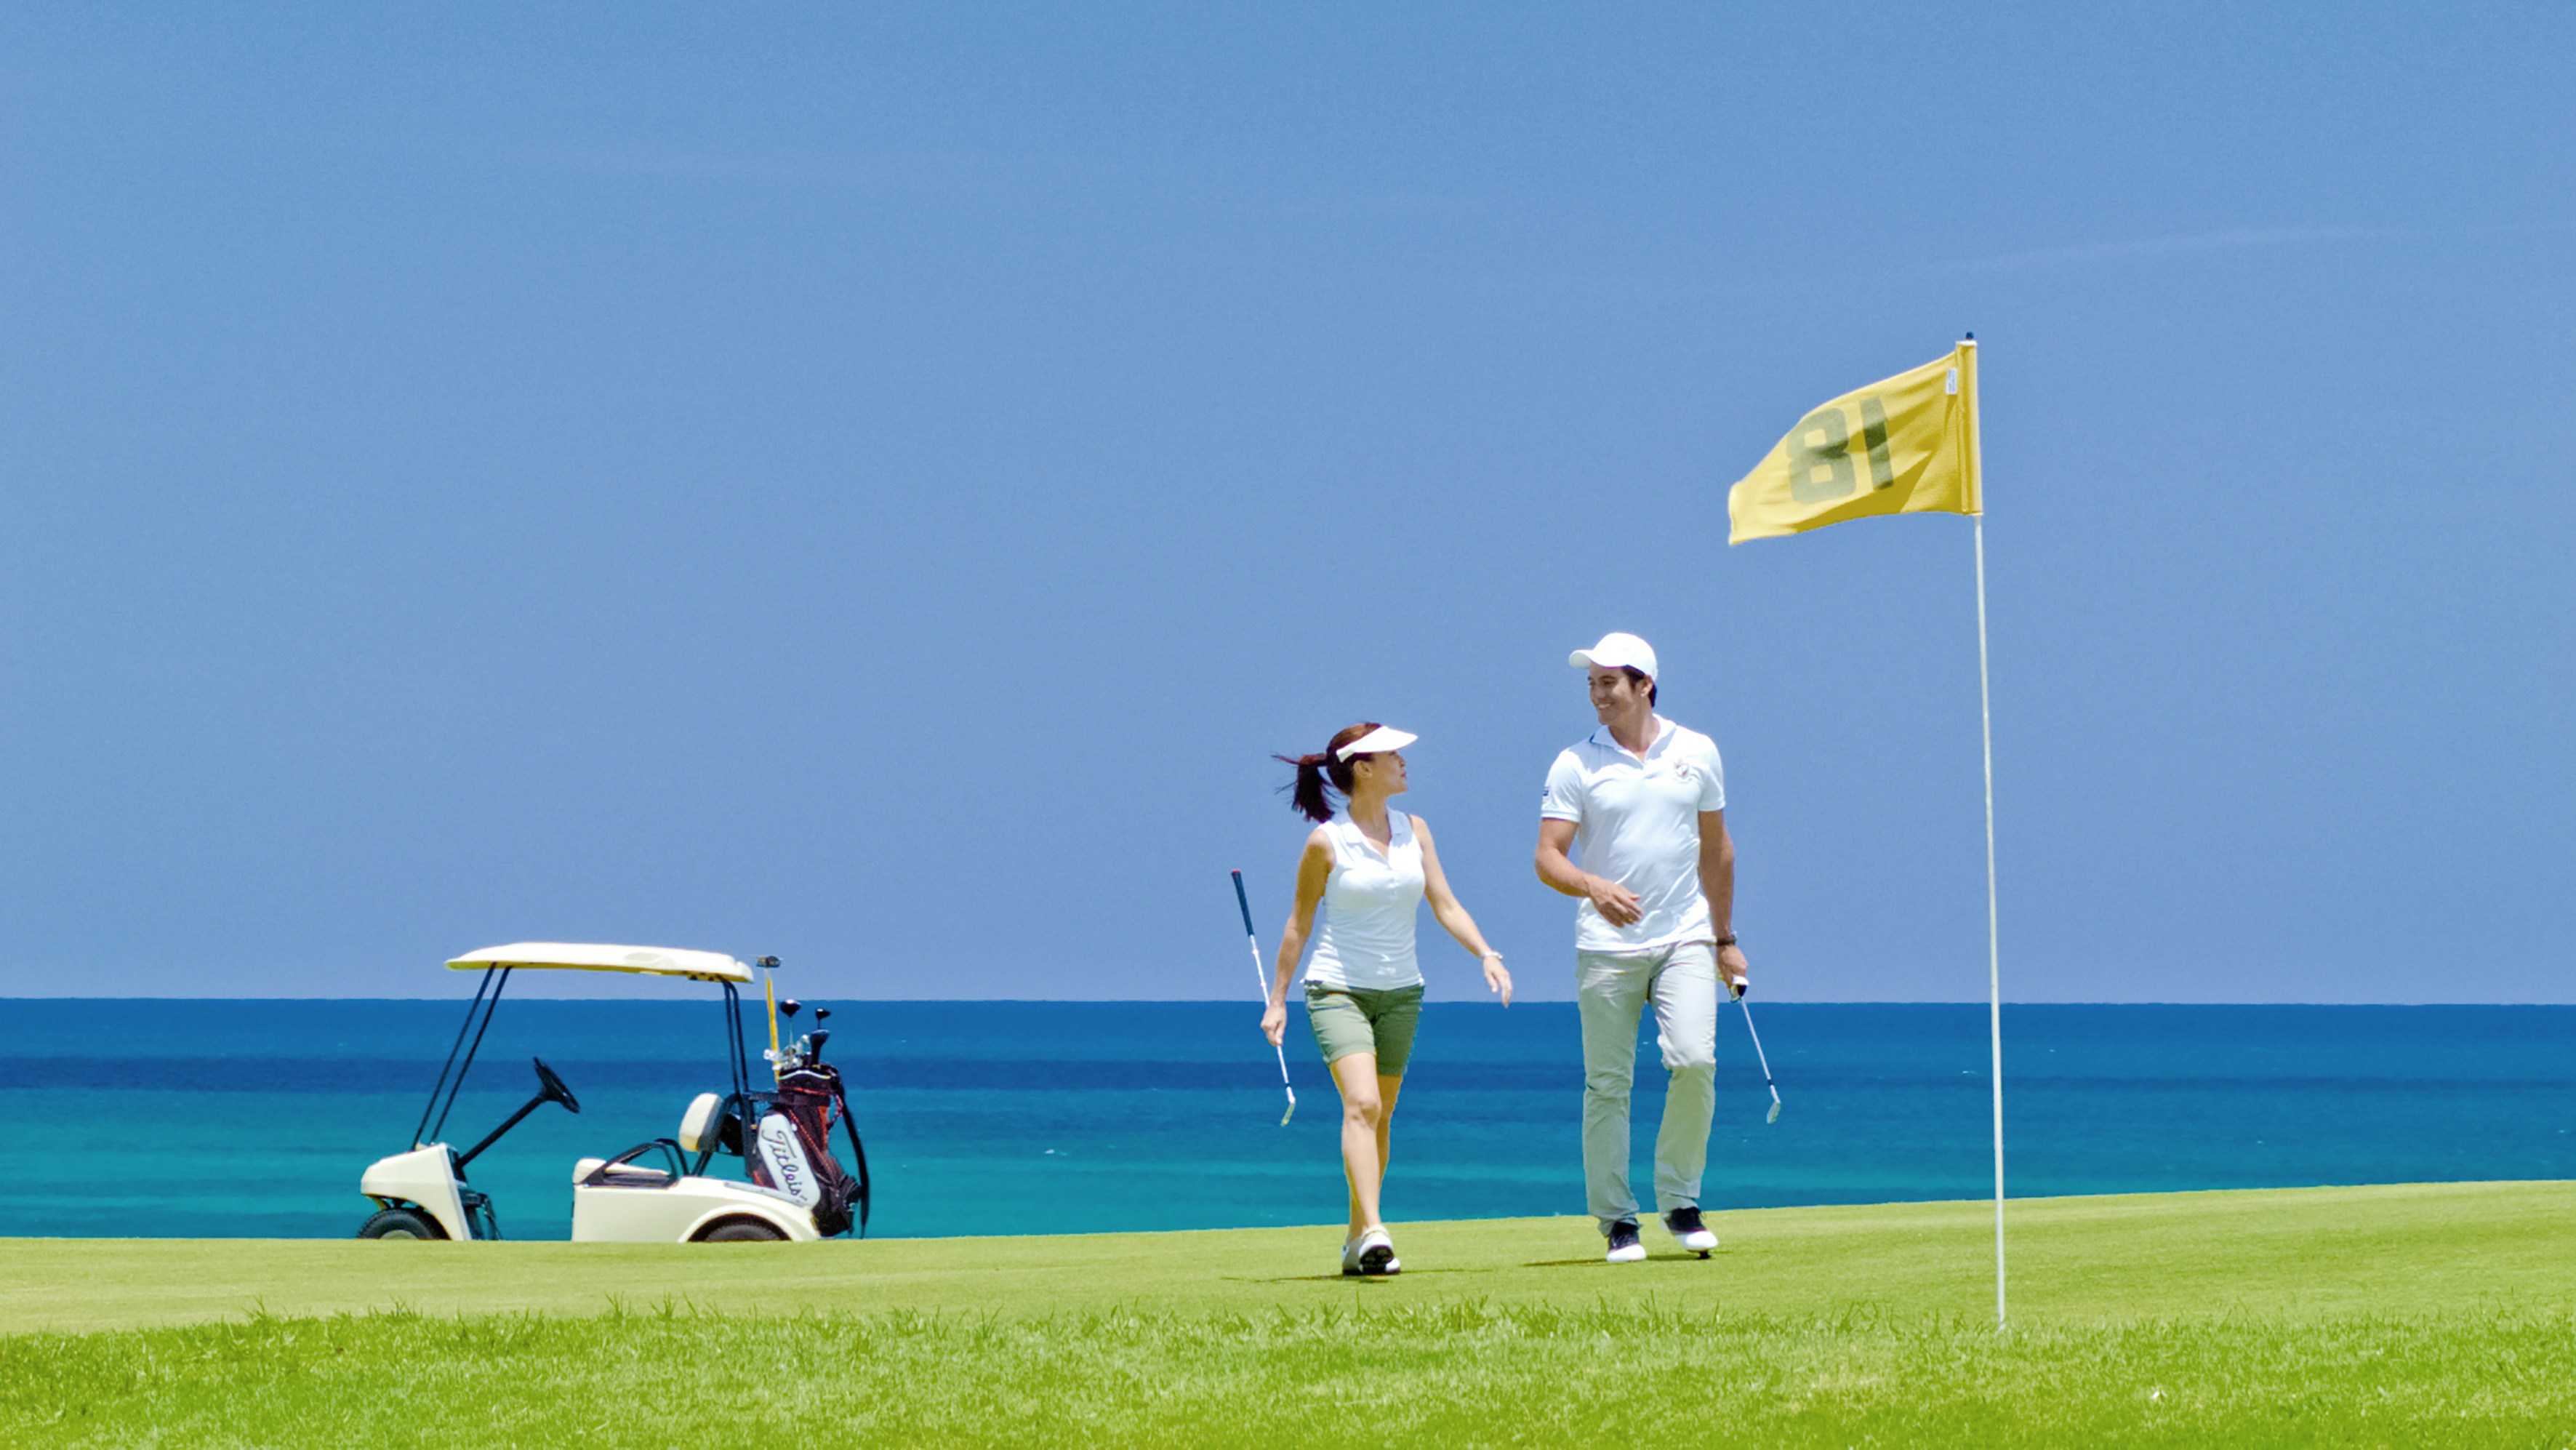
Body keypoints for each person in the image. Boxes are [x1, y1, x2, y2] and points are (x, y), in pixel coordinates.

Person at [1262, 721, 1513, 1277]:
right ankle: (1377, 1230)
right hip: (1336, 990)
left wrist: (1486, 954)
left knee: (1382, 1117)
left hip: (1401, 992)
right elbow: (1298, 925)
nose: (1404, 761)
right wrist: (1278, 1000)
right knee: (1362, 1105)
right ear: (1362, 768)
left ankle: (1357, 1239)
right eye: (1391, 754)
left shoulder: (1414, 830)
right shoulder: (1326, 841)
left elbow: (1444, 903)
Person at [1533, 633, 1749, 1264]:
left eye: (1609, 683)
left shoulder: (1697, 751)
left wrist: (1725, 938)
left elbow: (1717, 849)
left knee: (1693, 1060)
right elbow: (1547, 857)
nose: (1598, 695)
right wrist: (1592, 885)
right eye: (1592, 685)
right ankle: (1617, 1221)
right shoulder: (1575, 762)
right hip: (1606, 946)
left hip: (1685, 935)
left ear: (1643, 685)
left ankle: (1680, 1203)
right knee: (1608, 1085)